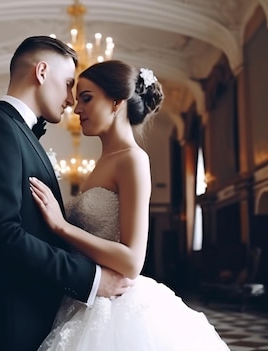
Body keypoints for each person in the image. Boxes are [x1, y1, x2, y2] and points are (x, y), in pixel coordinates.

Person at [30, 60, 230, 350]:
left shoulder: (133, 160)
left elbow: (132, 261)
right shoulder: (103, 162)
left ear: (116, 102)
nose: (76, 109)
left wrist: (60, 225)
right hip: (83, 297)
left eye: (86, 98)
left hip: (116, 309)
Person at [0, 36, 133, 351]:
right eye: (67, 84)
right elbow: (1, 235)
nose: (71, 100)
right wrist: (91, 280)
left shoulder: (19, 134)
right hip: (2, 327)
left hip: (28, 320)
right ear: (41, 72)